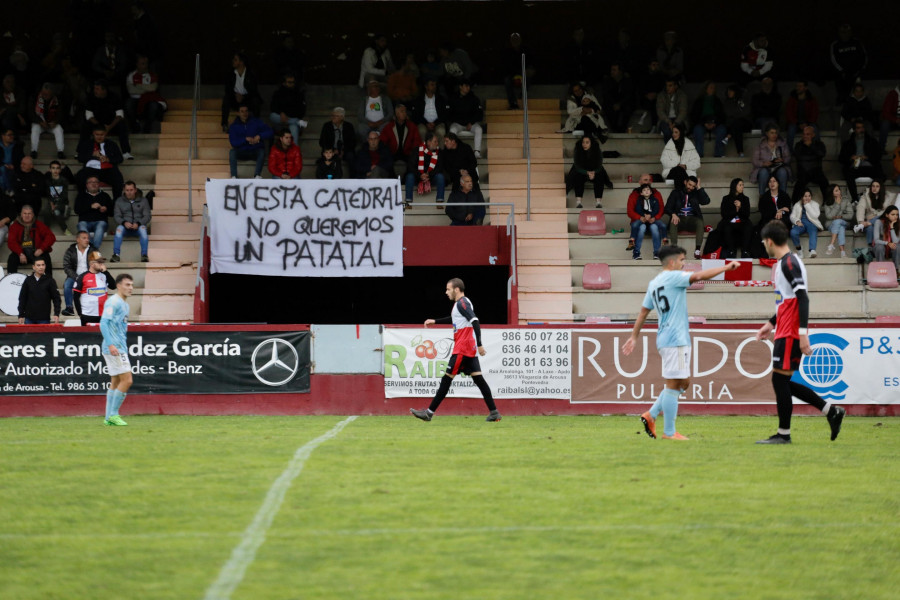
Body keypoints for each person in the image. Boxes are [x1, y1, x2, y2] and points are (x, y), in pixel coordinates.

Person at [622, 247, 739, 440]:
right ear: (672, 263)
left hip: (667, 339)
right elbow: (699, 276)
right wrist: (726, 267)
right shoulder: (673, 277)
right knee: (674, 384)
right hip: (675, 338)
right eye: (682, 260)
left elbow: (643, 311)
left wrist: (634, 336)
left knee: (684, 382)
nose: (684, 264)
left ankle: (651, 414)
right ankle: (669, 432)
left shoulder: (655, 282)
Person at [754, 220, 846, 444]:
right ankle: (830, 411)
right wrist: (771, 323)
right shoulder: (787, 262)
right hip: (785, 327)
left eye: (764, 242)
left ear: (769, 241)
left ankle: (784, 434)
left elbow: (803, 297)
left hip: (791, 331)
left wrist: (802, 333)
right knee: (781, 381)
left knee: (779, 380)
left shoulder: (789, 263)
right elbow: (789, 300)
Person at [410, 277, 501, 422]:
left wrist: (480, 344)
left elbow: (475, 320)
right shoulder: (461, 304)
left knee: (446, 379)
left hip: (463, 348)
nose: (446, 292)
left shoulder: (462, 303)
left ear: (456, 289)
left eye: (448, 289)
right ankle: (494, 412)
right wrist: (436, 321)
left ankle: (429, 413)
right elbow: (455, 319)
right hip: (467, 348)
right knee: (479, 379)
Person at [100, 273, 135, 427]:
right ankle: (114, 414)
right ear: (119, 285)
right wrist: (111, 344)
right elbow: (103, 323)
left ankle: (108, 417)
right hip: (114, 347)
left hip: (118, 346)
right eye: (127, 285)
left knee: (115, 381)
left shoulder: (125, 304)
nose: (131, 288)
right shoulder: (113, 302)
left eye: (132, 285)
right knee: (127, 380)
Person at [83, 80, 132, 160]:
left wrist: (109, 127)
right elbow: (89, 116)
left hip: (111, 125)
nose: (95, 91)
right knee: (86, 125)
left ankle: (126, 152)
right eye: (95, 89)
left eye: (97, 89)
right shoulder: (90, 98)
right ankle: (82, 151)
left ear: (104, 90)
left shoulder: (114, 97)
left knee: (122, 125)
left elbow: (119, 115)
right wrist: (100, 127)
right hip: (97, 125)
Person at [839, 119, 884, 202]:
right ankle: (855, 199)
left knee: (880, 173)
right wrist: (851, 158)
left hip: (869, 167)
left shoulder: (872, 141)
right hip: (855, 168)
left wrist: (867, 157)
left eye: (862, 127)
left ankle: (877, 198)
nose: (861, 130)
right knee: (847, 172)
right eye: (859, 128)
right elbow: (841, 158)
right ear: (854, 130)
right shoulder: (848, 143)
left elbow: (878, 156)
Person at [665, 176, 710, 258]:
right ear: (685, 182)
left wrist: (699, 188)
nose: (691, 188)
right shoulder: (676, 192)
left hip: (692, 220)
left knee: (699, 222)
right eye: (689, 185)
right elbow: (667, 207)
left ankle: (697, 250)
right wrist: (673, 214)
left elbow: (706, 201)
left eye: (693, 186)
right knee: (673, 221)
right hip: (679, 219)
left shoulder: (696, 193)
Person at [76, 125, 125, 199]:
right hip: (91, 170)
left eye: (102, 135)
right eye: (97, 134)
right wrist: (92, 155)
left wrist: (108, 159)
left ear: (105, 134)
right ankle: (83, 200)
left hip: (108, 169)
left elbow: (120, 159)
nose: (99, 137)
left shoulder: (112, 144)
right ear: (93, 134)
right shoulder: (87, 144)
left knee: (118, 179)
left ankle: (116, 204)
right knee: (80, 176)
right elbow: (80, 158)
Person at [7, 204, 56, 275]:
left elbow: (51, 237)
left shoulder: (39, 224)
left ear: (33, 215)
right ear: (21, 214)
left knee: (46, 257)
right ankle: (10, 280)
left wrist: (41, 249)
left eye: (29, 213)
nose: (27, 216)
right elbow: (11, 242)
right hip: (22, 253)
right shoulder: (15, 226)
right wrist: (20, 253)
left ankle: (48, 282)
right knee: (12, 258)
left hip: (36, 253)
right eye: (25, 213)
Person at [228, 104, 273, 178]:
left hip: (255, 151)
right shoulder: (234, 126)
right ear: (238, 113)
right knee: (232, 152)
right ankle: (234, 176)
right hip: (242, 152)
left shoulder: (256, 122)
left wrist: (259, 136)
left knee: (261, 152)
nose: (244, 113)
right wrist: (245, 139)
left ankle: (257, 175)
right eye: (242, 111)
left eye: (246, 111)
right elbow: (233, 142)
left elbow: (270, 132)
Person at [221, 52, 262, 132]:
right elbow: (227, 89)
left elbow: (254, 91)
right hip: (235, 99)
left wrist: (243, 96)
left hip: (247, 99)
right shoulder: (230, 74)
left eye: (235, 60)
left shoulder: (250, 74)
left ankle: (257, 124)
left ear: (242, 62)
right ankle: (224, 124)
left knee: (256, 100)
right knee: (226, 99)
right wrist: (236, 95)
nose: (233, 61)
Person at [125, 55, 166, 134]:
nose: (145, 66)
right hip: (135, 99)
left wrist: (138, 86)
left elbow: (153, 88)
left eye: (146, 63)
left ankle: (147, 127)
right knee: (128, 103)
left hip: (149, 99)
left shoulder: (152, 75)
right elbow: (131, 90)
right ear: (137, 64)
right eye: (142, 63)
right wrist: (146, 88)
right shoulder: (131, 75)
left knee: (153, 105)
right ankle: (134, 126)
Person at [567, 135, 611, 209]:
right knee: (578, 176)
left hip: (594, 171)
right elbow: (577, 166)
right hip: (581, 171)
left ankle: (598, 202)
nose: (584, 144)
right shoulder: (578, 149)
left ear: (591, 143)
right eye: (583, 142)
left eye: (587, 142)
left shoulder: (597, 150)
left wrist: (594, 172)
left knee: (600, 175)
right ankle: (578, 202)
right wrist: (587, 173)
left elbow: (599, 165)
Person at [112, 181, 151, 262]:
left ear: (135, 190)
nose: (129, 192)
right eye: (127, 190)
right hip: (125, 227)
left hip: (139, 227)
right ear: (124, 190)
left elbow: (147, 216)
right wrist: (124, 223)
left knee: (143, 229)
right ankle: (116, 255)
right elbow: (117, 216)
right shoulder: (119, 201)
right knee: (119, 229)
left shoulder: (143, 200)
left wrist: (138, 223)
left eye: (131, 190)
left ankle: (144, 255)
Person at [74, 250, 115, 325]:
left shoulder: (105, 275)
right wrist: (80, 314)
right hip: (87, 315)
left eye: (102, 262)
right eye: (99, 262)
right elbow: (76, 297)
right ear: (92, 264)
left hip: (103, 315)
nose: (102, 264)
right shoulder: (82, 277)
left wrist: (106, 272)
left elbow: (113, 286)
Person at [627, 182, 666, 260]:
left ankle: (658, 252)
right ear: (641, 193)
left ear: (651, 191)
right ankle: (636, 252)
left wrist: (652, 216)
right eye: (644, 190)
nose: (647, 191)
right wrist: (642, 216)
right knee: (641, 228)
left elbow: (658, 209)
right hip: (642, 220)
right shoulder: (639, 199)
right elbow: (634, 210)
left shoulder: (655, 198)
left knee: (655, 227)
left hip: (652, 220)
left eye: (648, 189)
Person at [16, 256, 60, 325]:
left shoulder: (50, 280)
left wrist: (56, 313)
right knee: (29, 336)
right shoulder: (28, 280)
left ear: (45, 266)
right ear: (33, 267)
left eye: (43, 265)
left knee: (44, 336)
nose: (41, 267)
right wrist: (21, 315)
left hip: (44, 318)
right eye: (38, 265)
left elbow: (56, 298)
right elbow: (22, 298)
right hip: (29, 318)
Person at [829, 24, 867, 104]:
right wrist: (842, 71)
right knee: (842, 95)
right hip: (842, 76)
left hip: (856, 74)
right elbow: (833, 60)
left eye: (847, 32)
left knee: (857, 95)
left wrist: (860, 71)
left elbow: (864, 57)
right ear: (839, 33)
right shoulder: (835, 45)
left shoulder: (857, 42)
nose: (845, 34)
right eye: (843, 32)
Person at [61, 230, 95, 316]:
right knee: (67, 285)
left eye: (87, 238)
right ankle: (69, 308)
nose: (87, 240)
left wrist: (88, 275)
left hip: (89, 276)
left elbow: (97, 264)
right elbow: (66, 266)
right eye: (84, 238)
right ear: (78, 240)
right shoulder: (70, 250)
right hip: (74, 276)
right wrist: (76, 277)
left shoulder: (93, 250)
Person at [750, 124, 791, 195]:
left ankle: (782, 197)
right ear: (767, 133)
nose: (774, 135)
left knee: (783, 172)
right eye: (772, 133)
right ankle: (762, 196)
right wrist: (764, 163)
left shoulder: (782, 144)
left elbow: (788, 158)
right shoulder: (760, 145)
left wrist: (782, 160)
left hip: (779, 167)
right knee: (763, 172)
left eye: (776, 133)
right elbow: (754, 161)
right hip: (765, 168)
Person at [792, 125, 829, 202]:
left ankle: (828, 202)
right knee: (799, 184)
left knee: (824, 182)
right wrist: (813, 157)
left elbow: (821, 154)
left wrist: (811, 146)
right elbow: (798, 157)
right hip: (803, 172)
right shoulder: (799, 145)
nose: (805, 136)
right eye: (804, 134)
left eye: (808, 134)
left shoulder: (819, 144)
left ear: (813, 135)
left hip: (816, 171)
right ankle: (794, 203)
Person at [690, 81, 727, 158]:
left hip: (715, 123)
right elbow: (694, 116)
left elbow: (722, 116)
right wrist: (704, 123)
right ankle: (699, 154)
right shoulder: (699, 101)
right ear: (706, 89)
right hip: (702, 123)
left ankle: (718, 153)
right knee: (697, 130)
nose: (713, 89)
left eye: (714, 88)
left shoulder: (717, 101)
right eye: (711, 87)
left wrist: (715, 123)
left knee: (722, 130)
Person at [718, 178, 753, 259]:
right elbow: (724, 214)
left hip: (742, 222)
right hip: (729, 221)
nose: (742, 187)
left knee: (748, 226)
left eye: (743, 185)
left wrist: (740, 207)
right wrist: (735, 210)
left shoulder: (745, 199)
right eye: (740, 185)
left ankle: (745, 251)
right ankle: (731, 251)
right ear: (734, 186)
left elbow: (747, 214)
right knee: (726, 227)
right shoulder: (726, 198)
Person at [75, 176, 113, 250]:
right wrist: (90, 206)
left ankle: (91, 252)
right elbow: (77, 210)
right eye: (91, 182)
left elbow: (112, 213)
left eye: (95, 182)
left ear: (99, 184)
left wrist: (106, 209)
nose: (93, 184)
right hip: (85, 221)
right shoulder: (81, 196)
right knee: (82, 229)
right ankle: (95, 253)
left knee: (100, 227)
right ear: (87, 185)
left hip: (100, 221)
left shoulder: (105, 196)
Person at [448, 80, 484, 158]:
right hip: (458, 123)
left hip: (470, 124)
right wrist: (461, 121)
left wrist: (471, 122)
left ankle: (477, 152)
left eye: (469, 86)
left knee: (479, 129)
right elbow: (450, 113)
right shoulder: (454, 97)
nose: (468, 88)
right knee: (452, 130)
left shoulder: (473, 98)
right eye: (466, 86)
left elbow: (479, 113)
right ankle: (453, 152)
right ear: (460, 86)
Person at [406, 132, 445, 205]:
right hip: (417, 177)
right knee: (409, 176)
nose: (437, 144)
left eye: (437, 142)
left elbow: (440, 168)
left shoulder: (439, 152)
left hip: (431, 177)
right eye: (435, 141)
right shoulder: (417, 150)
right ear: (428, 142)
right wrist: (420, 175)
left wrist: (428, 175)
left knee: (440, 177)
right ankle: (408, 202)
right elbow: (410, 166)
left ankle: (440, 201)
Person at [29, 83, 65, 159]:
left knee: (59, 129)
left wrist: (55, 122)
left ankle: (60, 151)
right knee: (35, 128)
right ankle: (33, 151)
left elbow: (61, 113)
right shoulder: (35, 97)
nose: (44, 95)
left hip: (52, 124)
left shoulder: (57, 99)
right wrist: (40, 122)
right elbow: (30, 113)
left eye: (47, 94)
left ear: (52, 93)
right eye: (43, 93)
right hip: (40, 123)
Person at [269, 72, 307, 143]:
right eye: (289, 82)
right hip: (280, 120)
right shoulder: (278, 93)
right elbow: (273, 106)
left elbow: (301, 110)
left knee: (294, 128)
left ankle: (294, 152)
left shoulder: (298, 94)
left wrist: (287, 116)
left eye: (293, 82)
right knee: (272, 116)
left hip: (292, 118)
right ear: (284, 83)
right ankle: (297, 122)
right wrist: (281, 113)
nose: (292, 84)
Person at [660, 122, 700, 190]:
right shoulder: (669, 146)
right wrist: (677, 165)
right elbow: (663, 160)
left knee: (680, 172)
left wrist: (685, 166)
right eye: (673, 132)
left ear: (681, 133)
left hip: (686, 174)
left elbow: (697, 163)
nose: (673, 134)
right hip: (672, 174)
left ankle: (679, 193)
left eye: (676, 132)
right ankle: (686, 189)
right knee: (678, 170)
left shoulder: (689, 146)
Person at [502, 33, 535, 110]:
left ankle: (523, 95)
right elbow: (506, 66)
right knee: (507, 80)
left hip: (523, 74)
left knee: (528, 76)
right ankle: (513, 103)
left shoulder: (525, 50)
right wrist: (515, 75)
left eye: (517, 39)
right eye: (513, 40)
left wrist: (525, 72)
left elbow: (530, 63)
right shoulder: (507, 52)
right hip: (512, 75)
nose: (515, 41)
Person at [410, 78, 449, 143]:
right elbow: (416, 115)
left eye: (435, 85)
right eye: (432, 85)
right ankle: (423, 152)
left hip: (438, 123)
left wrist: (435, 123)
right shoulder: (419, 99)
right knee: (421, 131)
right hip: (423, 123)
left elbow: (445, 114)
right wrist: (426, 123)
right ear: (426, 86)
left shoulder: (441, 99)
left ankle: (440, 152)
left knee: (441, 131)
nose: (434, 87)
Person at [789, 189, 823, 258]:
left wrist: (807, 205)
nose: (807, 198)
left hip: (811, 223)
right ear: (802, 197)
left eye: (809, 196)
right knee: (793, 232)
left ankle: (812, 250)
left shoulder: (815, 204)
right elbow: (792, 216)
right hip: (801, 223)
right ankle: (799, 250)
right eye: (805, 196)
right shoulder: (797, 204)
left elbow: (815, 215)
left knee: (813, 230)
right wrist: (797, 221)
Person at [785, 81, 819, 150]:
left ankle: (817, 151)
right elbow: (789, 114)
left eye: (800, 86)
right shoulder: (792, 99)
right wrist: (798, 123)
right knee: (791, 130)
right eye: (797, 86)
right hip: (795, 123)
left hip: (809, 123)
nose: (798, 88)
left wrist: (807, 123)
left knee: (815, 129)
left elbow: (814, 113)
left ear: (805, 88)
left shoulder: (811, 99)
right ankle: (789, 153)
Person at [600, 63, 634, 133]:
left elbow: (629, 95)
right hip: (611, 104)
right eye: (611, 70)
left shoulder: (626, 81)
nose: (612, 72)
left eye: (614, 70)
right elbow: (606, 95)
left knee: (627, 109)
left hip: (623, 104)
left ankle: (622, 129)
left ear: (620, 71)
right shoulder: (608, 81)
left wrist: (620, 104)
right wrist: (614, 104)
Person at [854, 179, 888, 246]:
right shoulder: (865, 196)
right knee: (870, 227)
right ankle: (870, 245)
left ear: (881, 188)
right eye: (873, 186)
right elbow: (860, 207)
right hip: (869, 222)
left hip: (882, 222)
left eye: (877, 186)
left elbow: (887, 212)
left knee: (879, 217)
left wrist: (874, 216)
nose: (874, 188)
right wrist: (861, 221)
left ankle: (862, 226)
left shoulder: (886, 197)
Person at [823, 185, 854, 259]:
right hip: (831, 224)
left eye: (839, 190)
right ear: (831, 193)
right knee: (841, 228)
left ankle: (831, 244)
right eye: (836, 191)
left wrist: (841, 216)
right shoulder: (827, 203)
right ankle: (842, 252)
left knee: (838, 221)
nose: (839, 192)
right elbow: (829, 216)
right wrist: (837, 204)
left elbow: (850, 215)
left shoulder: (846, 201)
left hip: (844, 222)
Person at [44, 160, 72, 234]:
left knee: (56, 212)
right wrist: (52, 204)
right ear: (50, 169)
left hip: (62, 203)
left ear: (60, 170)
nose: (55, 170)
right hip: (51, 202)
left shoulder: (64, 180)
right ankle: (45, 230)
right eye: (53, 168)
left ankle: (65, 230)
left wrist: (56, 205)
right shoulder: (48, 180)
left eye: (57, 168)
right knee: (46, 211)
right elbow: (48, 194)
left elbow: (64, 195)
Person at [722, 85, 751, 158]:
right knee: (737, 127)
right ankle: (740, 152)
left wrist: (735, 114)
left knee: (737, 123)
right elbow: (728, 113)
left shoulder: (742, 100)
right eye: (728, 91)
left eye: (731, 91)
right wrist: (737, 114)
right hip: (733, 124)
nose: (729, 92)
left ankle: (729, 136)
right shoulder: (727, 102)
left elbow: (745, 113)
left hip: (744, 123)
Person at [873, 205, 900, 274]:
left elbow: (896, 241)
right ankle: (880, 270)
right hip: (881, 248)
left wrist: (892, 228)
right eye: (893, 214)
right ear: (887, 215)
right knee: (879, 247)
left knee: (897, 247)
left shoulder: (898, 224)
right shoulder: (878, 222)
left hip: (892, 249)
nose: (895, 217)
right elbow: (876, 240)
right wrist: (887, 243)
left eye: (897, 214)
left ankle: (896, 271)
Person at [0, 128, 25, 195]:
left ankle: (5, 194)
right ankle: (9, 190)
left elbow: (22, 160)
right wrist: (3, 165)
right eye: (9, 135)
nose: (12, 137)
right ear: (3, 136)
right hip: (1, 168)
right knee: (2, 170)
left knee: (2, 178)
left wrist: (14, 165)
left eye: (12, 135)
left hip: (14, 169)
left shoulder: (17, 146)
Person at [879, 83, 900, 151]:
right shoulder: (892, 94)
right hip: (892, 119)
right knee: (885, 124)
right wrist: (896, 119)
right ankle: (881, 149)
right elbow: (886, 112)